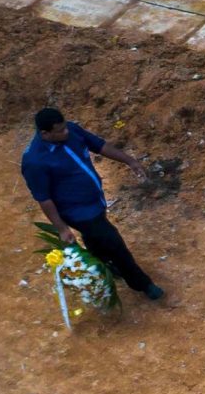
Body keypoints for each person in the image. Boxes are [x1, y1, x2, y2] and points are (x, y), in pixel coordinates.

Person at [21, 106, 165, 301]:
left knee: (96, 240)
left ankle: (103, 263)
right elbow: (43, 198)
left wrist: (129, 161)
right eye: (60, 131)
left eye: (65, 127)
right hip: (77, 212)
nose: (66, 132)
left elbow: (99, 145)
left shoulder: (71, 131)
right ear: (45, 134)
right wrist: (62, 228)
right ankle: (142, 284)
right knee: (114, 243)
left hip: (95, 201)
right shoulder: (35, 161)